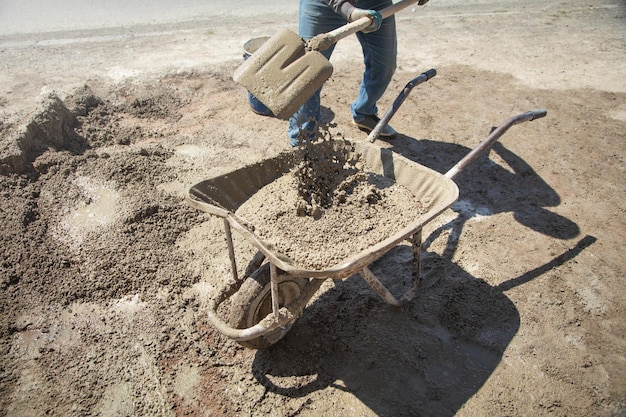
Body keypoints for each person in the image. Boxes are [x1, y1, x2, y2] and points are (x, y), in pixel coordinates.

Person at [288, 0, 428, 146]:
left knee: (384, 65)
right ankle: (303, 143)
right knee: (309, 72)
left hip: (375, 3)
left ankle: (364, 112)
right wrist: (349, 11)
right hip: (324, 5)